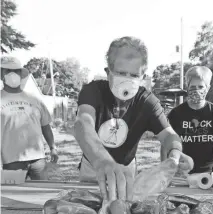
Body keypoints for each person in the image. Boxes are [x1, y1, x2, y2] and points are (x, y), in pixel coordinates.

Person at [74, 36, 193, 201]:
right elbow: (83, 123)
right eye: (121, 73)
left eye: (134, 75)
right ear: (108, 72)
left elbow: (169, 135)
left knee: (125, 211)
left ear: (142, 77)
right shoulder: (92, 91)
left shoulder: (146, 100)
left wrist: (175, 154)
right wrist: (103, 161)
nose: (127, 80)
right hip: (95, 168)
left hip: (127, 170)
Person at [1, 56, 58, 180]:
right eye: (8, 71)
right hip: (11, 161)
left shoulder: (34, 99)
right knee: (13, 197)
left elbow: (45, 126)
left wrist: (52, 147)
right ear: (1, 75)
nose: (13, 74)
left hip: (38, 160)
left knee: (42, 195)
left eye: (16, 71)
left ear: (21, 74)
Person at [167, 66, 213, 174]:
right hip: (181, 173)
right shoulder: (175, 114)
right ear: (187, 87)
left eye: (200, 86)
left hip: (209, 174)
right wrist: (167, 170)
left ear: (208, 88)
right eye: (192, 87)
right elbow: (167, 145)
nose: (196, 91)